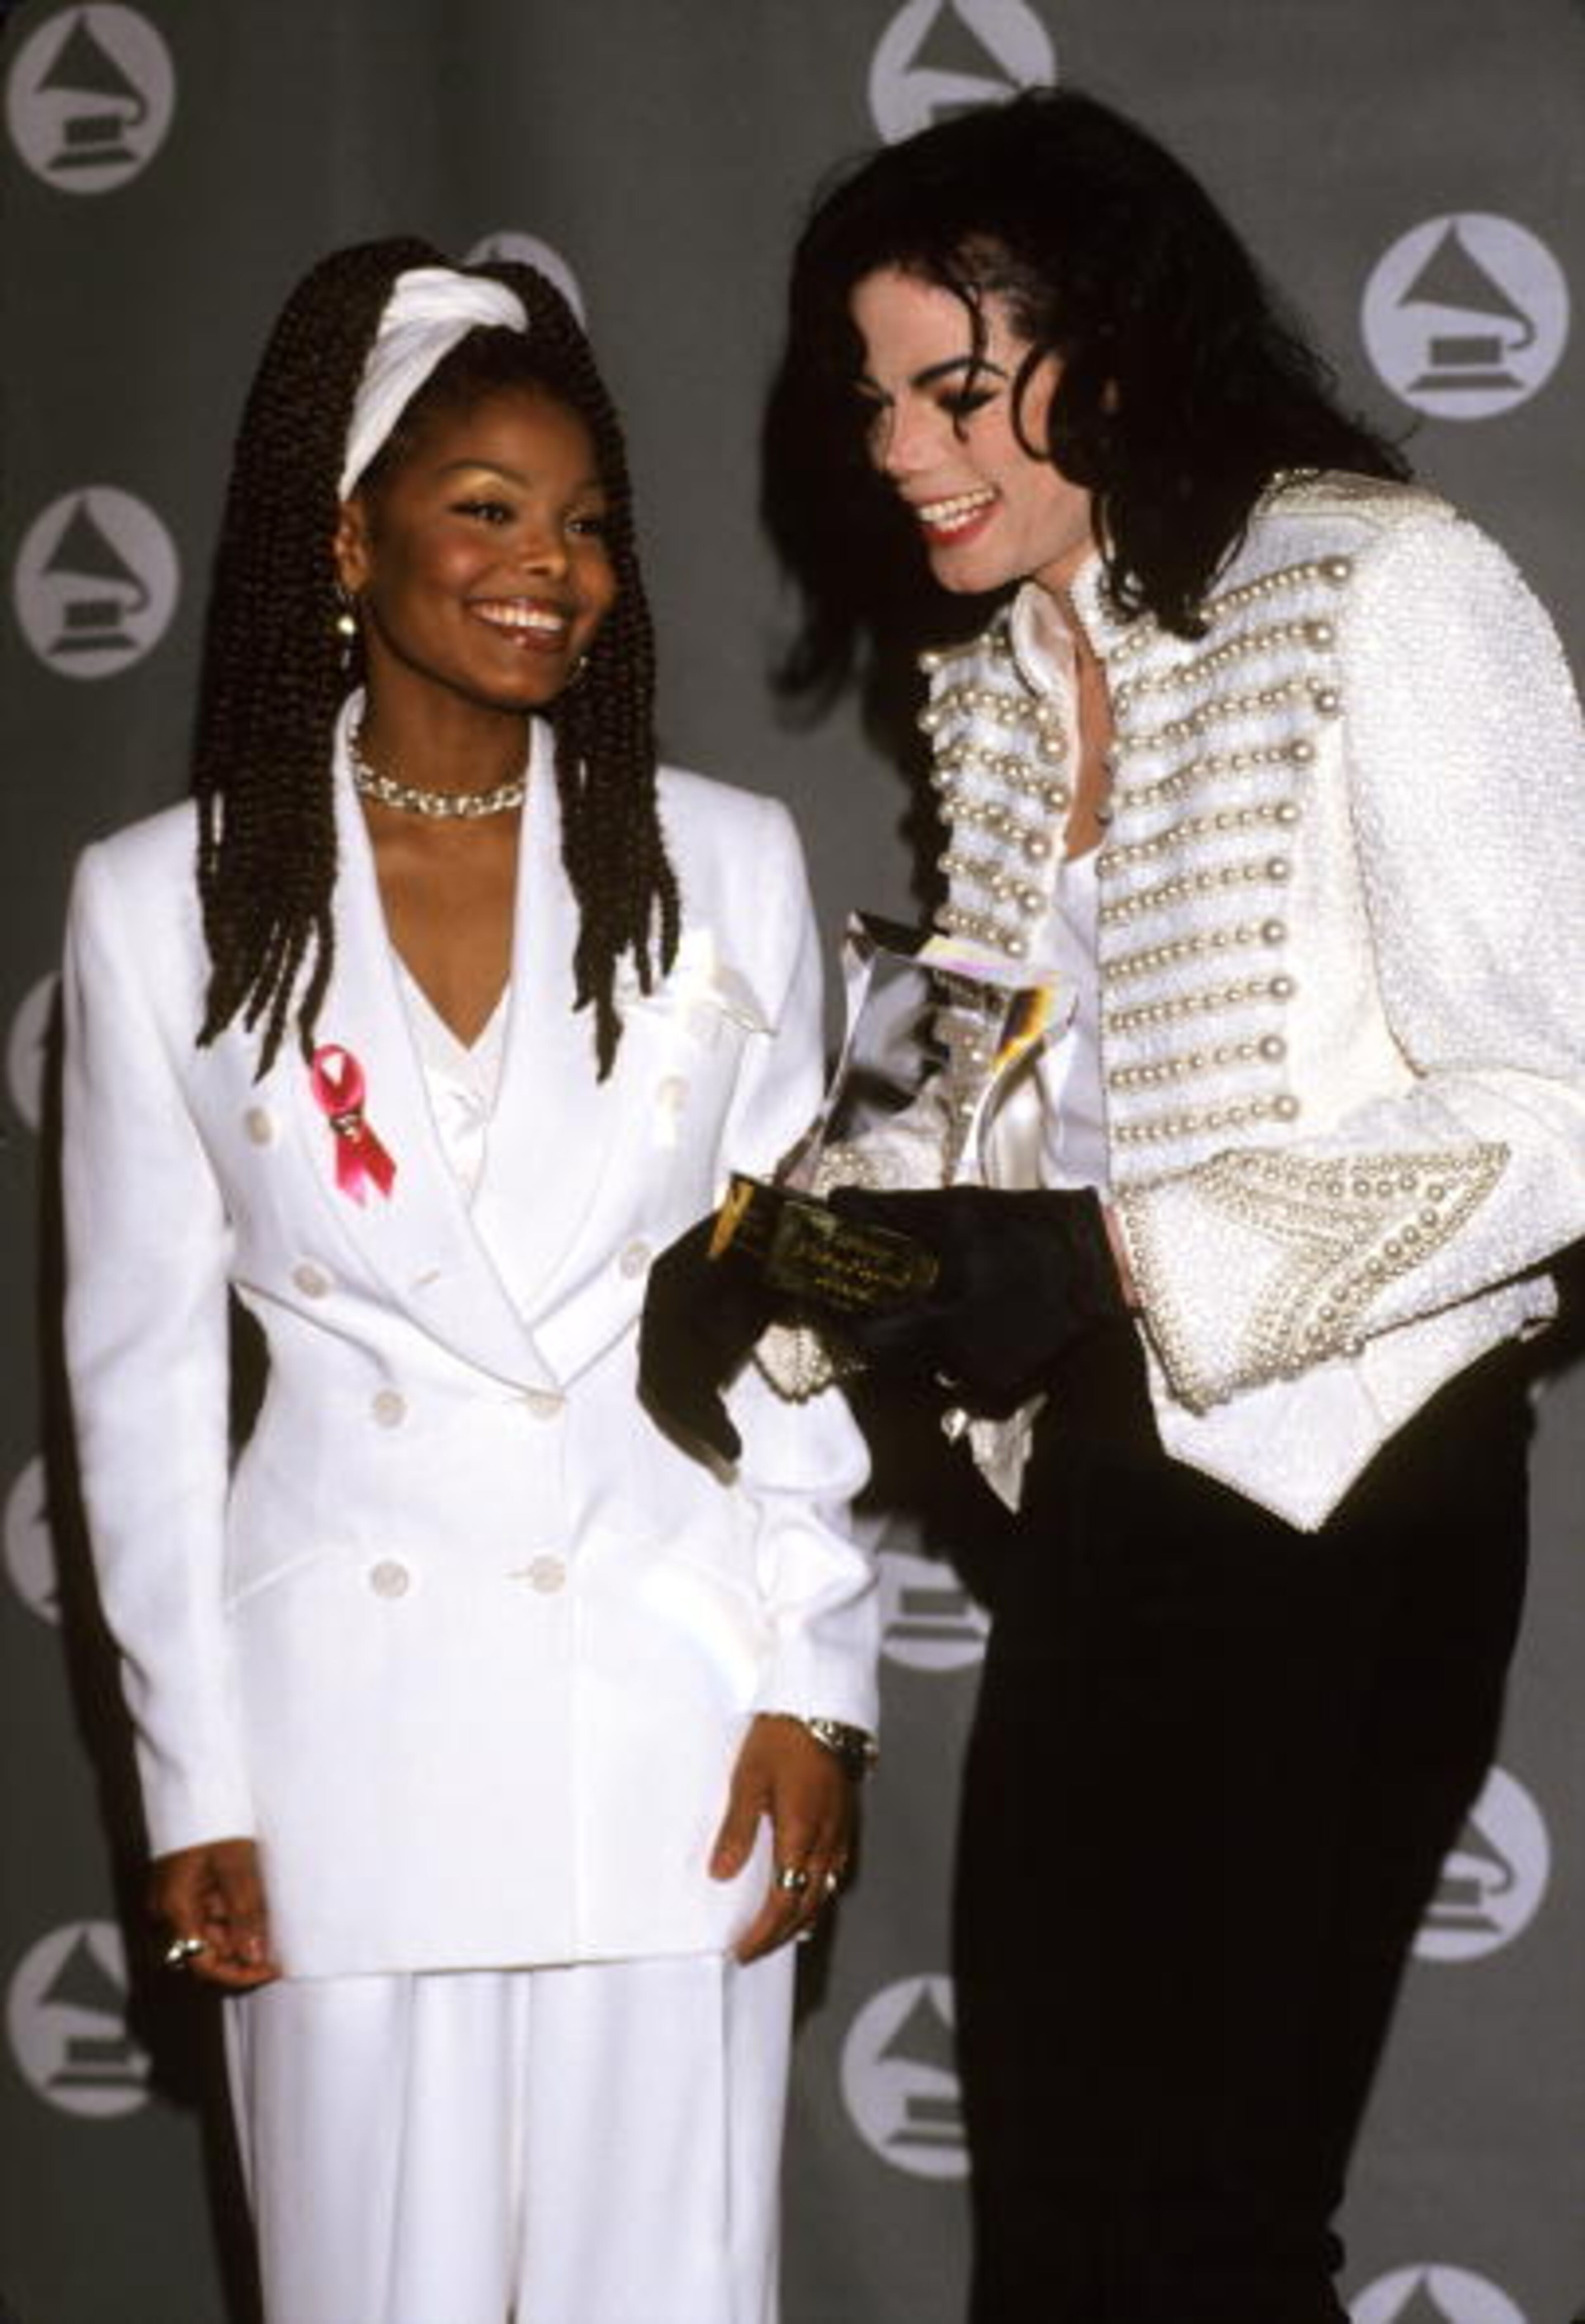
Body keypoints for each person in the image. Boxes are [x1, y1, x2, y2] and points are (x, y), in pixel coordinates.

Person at [640, 87, 1585, 2324]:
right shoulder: (1005, 669)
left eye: (958, 389)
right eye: (875, 398)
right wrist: (786, 1255)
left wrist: (1110, 1256)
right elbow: (999, 1120)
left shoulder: (1384, 585)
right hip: (1113, 1480)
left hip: (1345, 1482)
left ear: (1126, 348)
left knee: (1195, 2235)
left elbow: (1561, 1100)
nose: (902, 448)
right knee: (1074, 2232)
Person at [61, 236, 878, 2324]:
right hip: (345, 1745)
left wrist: (816, 1682)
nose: (550, 568)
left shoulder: (726, 869)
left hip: (667, 1714)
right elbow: (141, 1385)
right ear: (349, 538)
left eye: (587, 524)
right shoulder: (165, 907)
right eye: (489, 510)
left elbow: (788, 1318)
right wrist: (193, 1780)